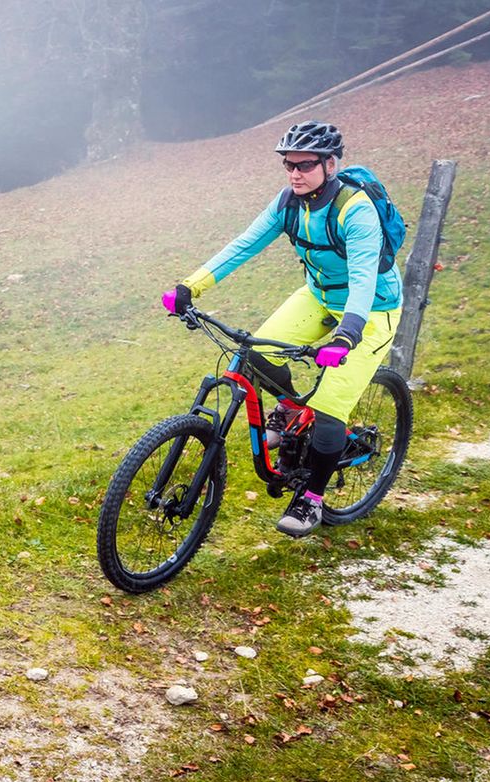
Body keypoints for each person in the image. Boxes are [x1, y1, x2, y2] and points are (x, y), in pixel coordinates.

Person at [161, 120, 402, 538]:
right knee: (253, 355)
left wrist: (347, 334)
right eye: (289, 165)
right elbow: (244, 244)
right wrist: (190, 285)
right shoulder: (288, 202)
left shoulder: (355, 210)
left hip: (371, 310)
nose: (295, 173)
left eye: (305, 165)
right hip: (319, 296)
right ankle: (291, 409)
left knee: (329, 412)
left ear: (330, 165)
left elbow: (364, 278)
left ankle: (311, 500)